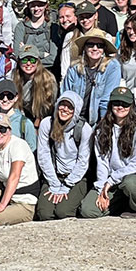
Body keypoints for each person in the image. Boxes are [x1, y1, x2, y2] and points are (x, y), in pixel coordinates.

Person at [78, 87, 136, 218]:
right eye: (116, 103)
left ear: (131, 106)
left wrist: (111, 180)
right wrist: (102, 188)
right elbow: (102, 162)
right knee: (87, 210)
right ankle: (119, 204)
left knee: (130, 184)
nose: (120, 107)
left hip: (133, 178)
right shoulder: (101, 130)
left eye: (125, 104)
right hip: (111, 183)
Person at [34, 91, 92, 220]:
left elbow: (83, 161)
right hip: (53, 175)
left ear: (76, 110)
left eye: (70, 107)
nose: (65, 109)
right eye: (62, 104)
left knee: (63, 212)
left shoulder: (84, 129)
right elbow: (43, 155)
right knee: (45, 213)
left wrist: (67, 185)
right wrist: (54, 183)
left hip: (76, 178)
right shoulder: (46, 124)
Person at [62, 29, 122, 124]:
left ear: (104, 50)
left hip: (98, 120)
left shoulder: (113, 67)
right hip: (73, 118)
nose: (95, 48)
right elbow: (65, 95)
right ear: (84, 48)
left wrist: (103, 126)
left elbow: (106, 100)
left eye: (100, 46)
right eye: (90, 45)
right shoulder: (74, 68)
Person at [13, 0, 58, 72]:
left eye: (40, 5)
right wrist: (42, 54)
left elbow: (53, 58)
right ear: (28, 6)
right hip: (25, 74)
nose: (36, 8)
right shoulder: (21, 27)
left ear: (46, 6)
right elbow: (17, 56)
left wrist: (26, 51)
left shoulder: (52, 27)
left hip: (47, 73)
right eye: (33, 5)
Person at [13, 45, 58, 125]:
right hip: (21, 115)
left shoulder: (48, 79)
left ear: (38, 62)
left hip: (43, 118)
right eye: (24, 60)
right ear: (19, 62)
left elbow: (49, 107)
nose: (28, 63)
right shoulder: (13, 76)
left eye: (32, 60)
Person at [0, 79, 37, 149]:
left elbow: (32, 148)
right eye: (1, 96)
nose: (5, 99)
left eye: (10, 96)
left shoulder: (25, 123)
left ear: (16, 97)